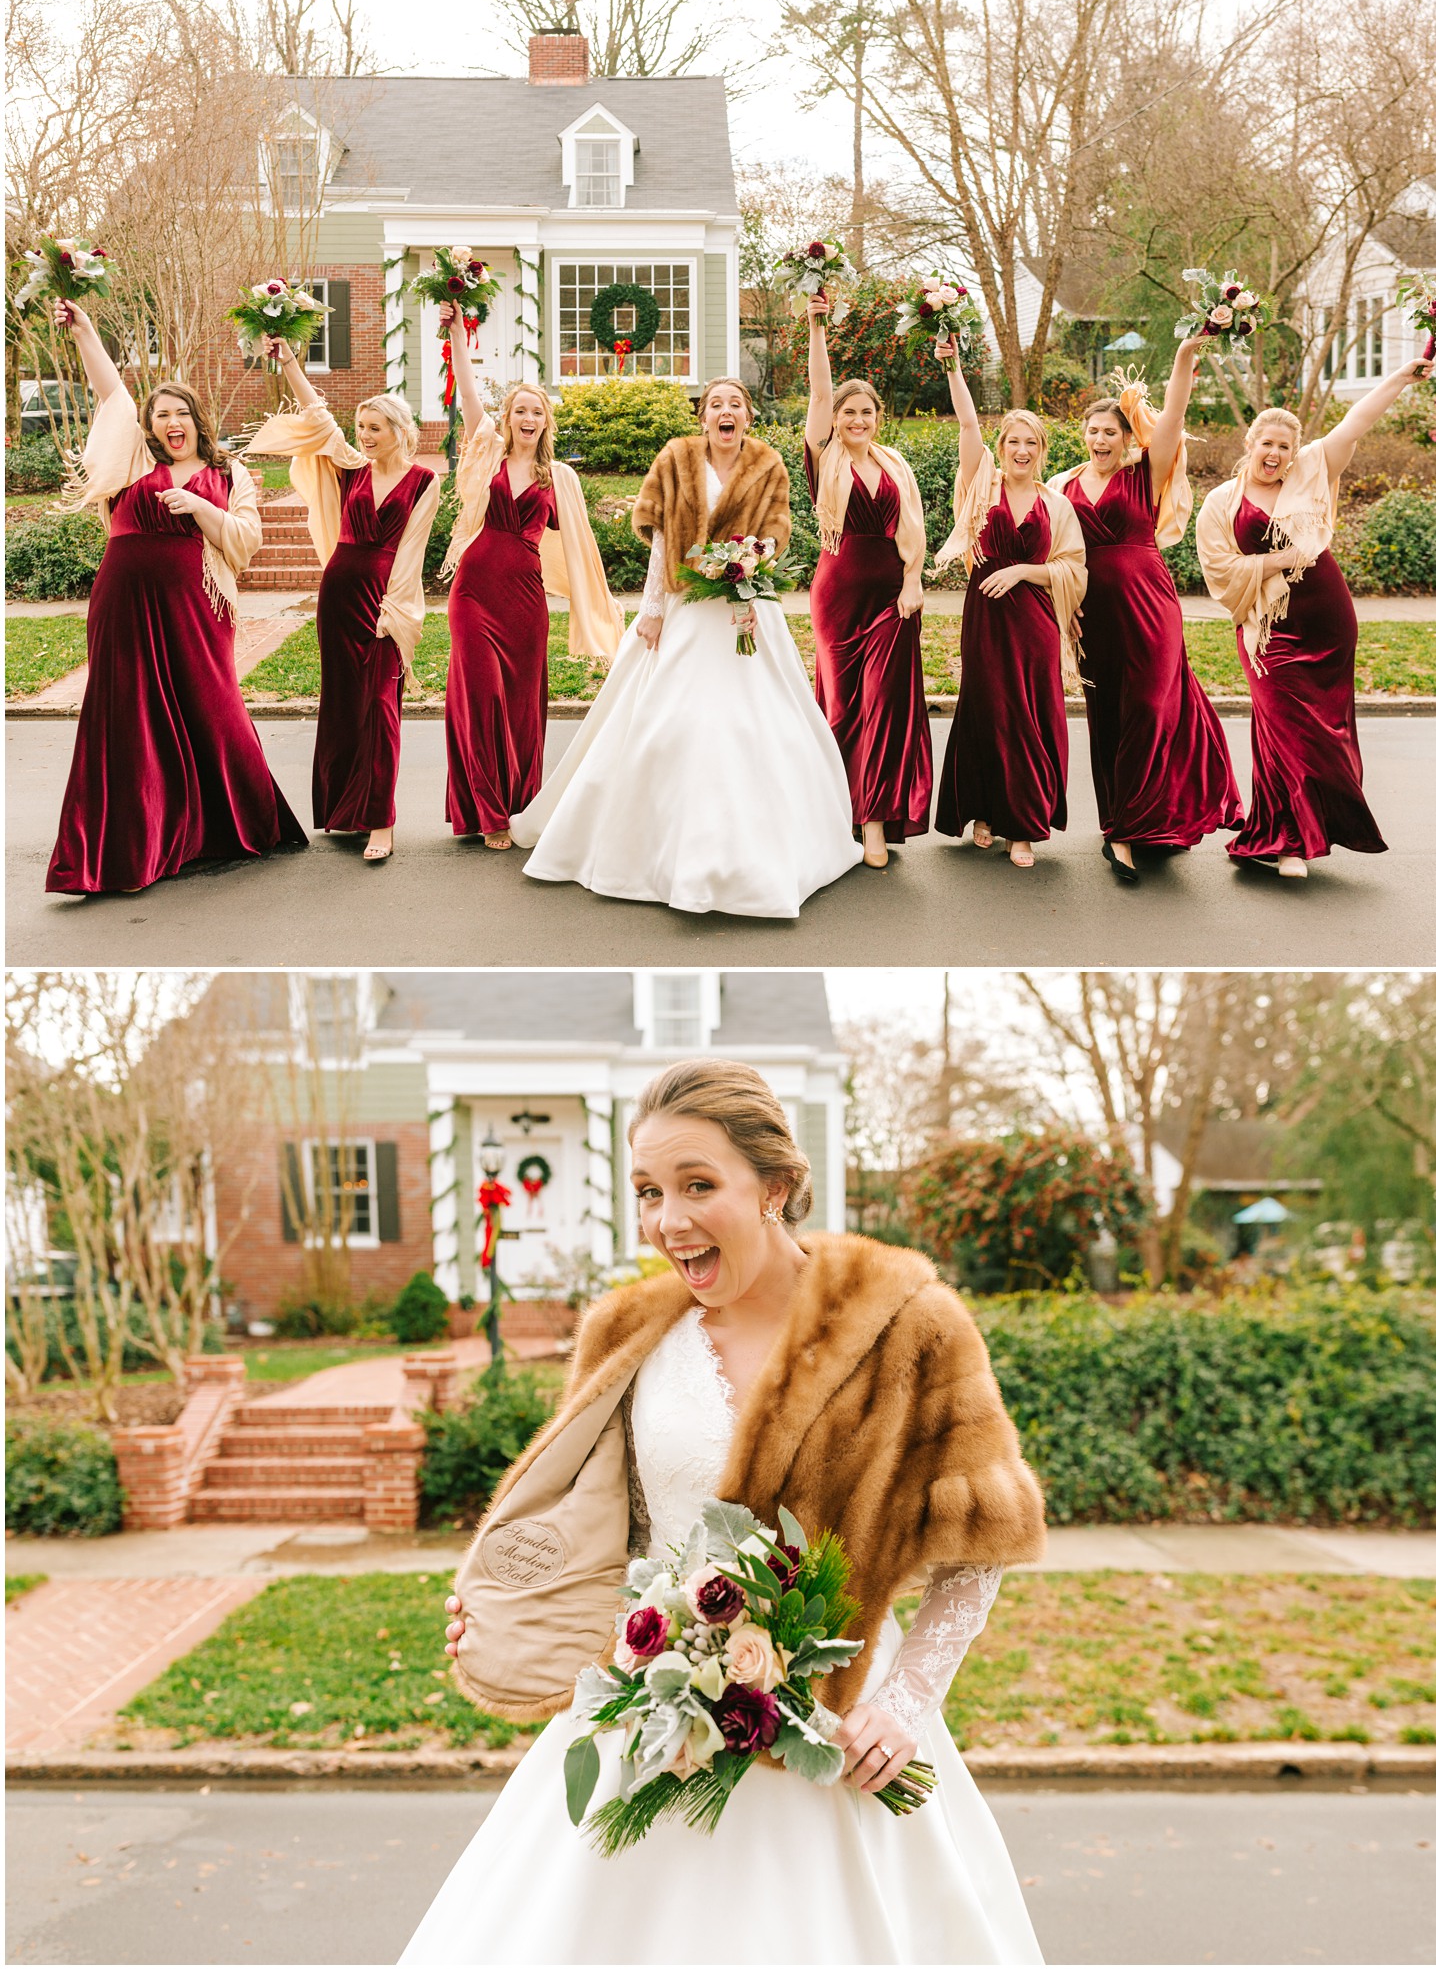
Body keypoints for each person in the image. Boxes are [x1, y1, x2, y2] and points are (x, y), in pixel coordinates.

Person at [404, 1059, 1047, 1966]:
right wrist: (510, 1608)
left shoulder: (910, 1323)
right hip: (655, 1726)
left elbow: (975, 1550)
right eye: (649, 1190)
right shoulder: (625, 1336)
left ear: (776, 1185)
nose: (669, 1221)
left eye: (699, 1184)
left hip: (845, 1734)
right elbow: (612, 1539)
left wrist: (902, 1705)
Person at [511, 380, 862, 919]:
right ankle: (652, 852)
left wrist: (753, 560)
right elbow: (661, 539)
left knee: (763, 726)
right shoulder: (677, 459)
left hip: (746, 609)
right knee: (672, 722)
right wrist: (651, 610)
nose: (726, 412)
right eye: (715, 404)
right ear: (704, 416)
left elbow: (777, 532)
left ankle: (768, 853)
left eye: (735, 404)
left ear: (748, 415)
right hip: (685, 607)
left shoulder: (767, 464)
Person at [44, 301, 306, 895]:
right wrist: (87, 335)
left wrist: (202, 507)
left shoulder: (229, 472)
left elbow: (247, 543)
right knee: (127, 716)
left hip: (198, 609)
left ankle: (239, 822)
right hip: (125, 606)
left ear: (196, 418)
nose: (171, 422)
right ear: (152, 427)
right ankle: (130, 842)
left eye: (180, 412)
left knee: (214, 710)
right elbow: (113, 397)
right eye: (160, 415)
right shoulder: (135, 463)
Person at [1194, 357, 1433, 877]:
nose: (1275, 454)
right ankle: (1286, 841)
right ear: (1250, 444)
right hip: (1266, 628)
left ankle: (1297, 835)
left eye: (1284, 445)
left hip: (1325, 616)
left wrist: (1397, 379)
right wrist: (1278, 560)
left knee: (1324, 732)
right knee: (1282, 726)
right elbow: (1218, 568)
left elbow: (1356, 422)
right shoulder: (1220, 502)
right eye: (1267, 444)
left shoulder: (1313, 468)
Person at [1049, 340, 1242, 884]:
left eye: (1111, 431)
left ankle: (1130, 834)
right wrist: (1063, 610)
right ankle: (1124, 819)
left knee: (1151, 712)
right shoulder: (1062, 486)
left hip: (1150, 606)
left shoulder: (1145, 474)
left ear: (1130, 438)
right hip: (1093, 614)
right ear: (1083, 435)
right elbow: (1055, 554)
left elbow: (1175, 415)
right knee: (1107, 716)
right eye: (1093, 431)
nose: (1100, 439)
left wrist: (1182, 357)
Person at [437, 300, 622, 851]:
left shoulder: (558, 478)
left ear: (545, 421)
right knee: (481, 695)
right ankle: (488, 812)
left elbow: (583, 551)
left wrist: (604, 606)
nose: (527, 418)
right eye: (519, 409)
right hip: (473, 591)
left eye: (536, 412)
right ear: (508, 416)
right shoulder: (487, 453)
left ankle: (519, 803)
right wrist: (455, 332)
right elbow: (469, 396)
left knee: (520, 704)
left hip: (524, 601)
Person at [246, 341, 440, 862]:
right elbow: (318, 415)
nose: (365, 437)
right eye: (361, 429)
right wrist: (288, 361)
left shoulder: (425, 480)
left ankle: (381, 820)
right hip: (338, 593)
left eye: (375, 428)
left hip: (383, 598)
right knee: (343, 704)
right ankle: (344, 809)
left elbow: (413, 551)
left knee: (380, 707)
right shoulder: (352, 468)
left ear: (399, 431)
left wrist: (394, 611)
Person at [931, 347, 1087, 867]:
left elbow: (1073, 571)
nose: (1021, 450)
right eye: (1013, 441)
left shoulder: (1056, 504)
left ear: (1042, 450)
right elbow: (968, 423)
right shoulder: (981, 487)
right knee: (986, 709)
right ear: (1001, 448)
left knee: (1026, 716)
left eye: (1030, 443)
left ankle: (1022, 826)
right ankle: (984, 810)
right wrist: (953, 366)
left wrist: (1022, 570)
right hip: (985, 621)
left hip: (1034, 622)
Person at [803, 293, 932, 868]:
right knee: (839, 708)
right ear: (836, 418)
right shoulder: (824, 459)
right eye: (848, 412)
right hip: (837, 596)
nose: (856, 420)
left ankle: (875, 823)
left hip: (892, 595)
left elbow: (915, 538)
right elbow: (818, 393)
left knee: (884, 707)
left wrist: (913, 581)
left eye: (866, 413)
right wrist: (817, 329)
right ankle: (834, 816)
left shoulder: (895, 466)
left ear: (877, 419)